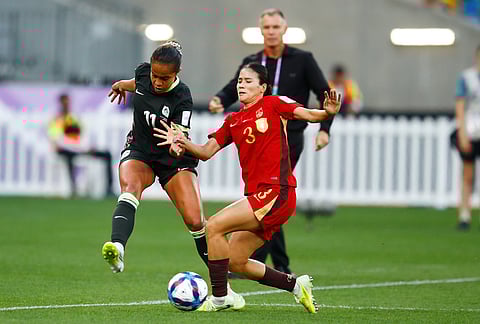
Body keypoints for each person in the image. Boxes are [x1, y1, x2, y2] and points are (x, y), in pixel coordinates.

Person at [154, 63, 341, 312]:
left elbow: (308, 114)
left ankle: (220, 298)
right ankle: (297, 286)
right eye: (239, 81)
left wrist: (326, 113)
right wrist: (182, 141)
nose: (241, 85)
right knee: (235, 261)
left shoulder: (274, 104)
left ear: (263, 87)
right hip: (260, 196)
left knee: (214, 226)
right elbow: (206, 152)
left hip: (277, 192)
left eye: (248, 81)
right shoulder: (233, 120)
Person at [100, 40, 244, 309]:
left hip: (172, 160)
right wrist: (121, 84)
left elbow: (181, 141)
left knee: (195, 221)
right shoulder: (145, 74)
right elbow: (137, 83)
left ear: (176, 74)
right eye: (155, 75)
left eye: (164, 78)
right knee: (130, 188)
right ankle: (117, 247)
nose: (157, 82)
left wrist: (176, 145)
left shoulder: (182, 97)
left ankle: (224, 291)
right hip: (140, 150)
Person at [208, 8, 333, 275]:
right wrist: (220, 98)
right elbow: (234, 85)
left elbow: (324, 94)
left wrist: (325, 128)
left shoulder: (303, 59)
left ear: (284, 29)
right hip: (258, 133)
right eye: (267, 28)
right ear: (261, 30)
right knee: (266, 198)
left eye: (276, 27)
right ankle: (279, 265)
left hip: (289, 136)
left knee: (273, 194)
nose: (271, 32)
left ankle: (256, 259)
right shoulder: (253, 60)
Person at [48, 93, 114, 198]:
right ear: (60, 103)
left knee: (107, 154)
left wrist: (86, 147)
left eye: (67, 102)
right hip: (66, 149)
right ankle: (73, 188)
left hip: (80, 148)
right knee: (68, 156)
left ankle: (109, 189)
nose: (66, 104)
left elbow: (82, 136)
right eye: (64, 102)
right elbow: (56, 139)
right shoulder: (57, 120)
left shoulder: (74, 118)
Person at [452, 44, 480, 230]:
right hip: (471, 129)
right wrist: (462, 132)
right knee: (467, 173)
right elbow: (460, 105)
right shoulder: (467, 77)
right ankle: (464, 214)